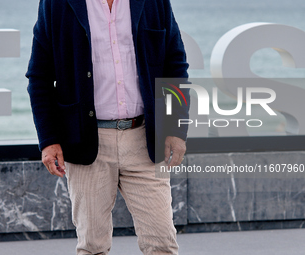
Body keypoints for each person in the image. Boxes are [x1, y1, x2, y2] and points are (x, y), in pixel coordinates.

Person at [26, 0, 190, 254]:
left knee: (162, 244)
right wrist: (48, 140)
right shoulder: (56, 3)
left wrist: (177, 128)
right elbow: (39, 76)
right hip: (86, 141)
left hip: (144, 138)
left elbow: (175, 63)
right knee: (92, 246)